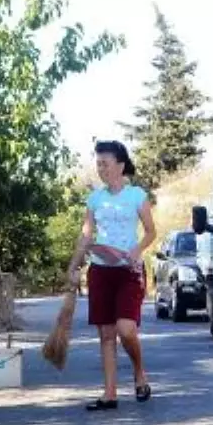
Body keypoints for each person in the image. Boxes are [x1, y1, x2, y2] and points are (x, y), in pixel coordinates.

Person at [66, 140, 157, 410]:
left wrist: (136, 249)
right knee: (106, 335)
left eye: (105, 163)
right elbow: (86, 235)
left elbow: (151, 232)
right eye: (98, 164)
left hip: (129, 270)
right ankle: (110, 394)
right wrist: (73, 267)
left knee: (125, 329)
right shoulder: (95, 199)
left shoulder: (137, 196)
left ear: (120, 165)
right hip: (100, 271)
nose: (101, 169)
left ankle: (139, 372)